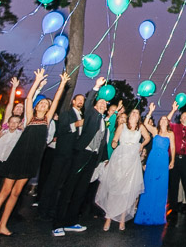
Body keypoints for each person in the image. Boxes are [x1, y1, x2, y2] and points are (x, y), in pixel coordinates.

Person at [0, 69, 68, 243]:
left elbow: (57, 100)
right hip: (18, 158)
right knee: (4, 192)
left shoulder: (47, 121)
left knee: (16, 193)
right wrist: (37, 81)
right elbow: (28, 99)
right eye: (41, 104)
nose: (43, 106)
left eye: (46, 105)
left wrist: (63, 84)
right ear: (36, 107)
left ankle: (2, 225)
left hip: (32, 161)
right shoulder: (28, 118)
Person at [52, 77, 110, 237]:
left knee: (80, 191)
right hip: (81, 154)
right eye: (101, 102)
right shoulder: (91, 113)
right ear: (96, 104)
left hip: (92, 158)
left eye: (105, 104)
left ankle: (71, 222)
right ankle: (57, 224)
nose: (103, 105)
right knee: (69, 188)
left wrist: (102, 159)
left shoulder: (104, 122)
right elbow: (89, 99)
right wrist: (96, 87)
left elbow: (102, 143)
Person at [96, 108, 150, 231]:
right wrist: (114, 143)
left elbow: (147, 138)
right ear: (130, 115)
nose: (135, 114)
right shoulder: (123, 126)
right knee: (115, 188)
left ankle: (122, 219)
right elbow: (115, 139)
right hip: (120, 157)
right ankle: (108, 218)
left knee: (127, 190)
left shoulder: (140, 127)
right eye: (133, 112)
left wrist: (141, 145)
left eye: (137, 112)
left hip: (133, 160)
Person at [38, 91, 85, 219]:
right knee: (52, 180)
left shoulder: (82, 116)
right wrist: (75, 125)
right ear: (73, 102)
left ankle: (53, 208)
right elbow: (61, 130)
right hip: (62, 152)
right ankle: (42, 209)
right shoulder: (67, 114)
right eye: (78, 99)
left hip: (71, 154)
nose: (81, 101)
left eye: (82, 100)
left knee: (61, 183)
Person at [134, 102, 175, 225]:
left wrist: (172, 160)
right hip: (152, 160)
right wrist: (150, 111)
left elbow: (173, 148)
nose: (163, 121)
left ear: (168, 122)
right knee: (149, 186)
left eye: (165, 120)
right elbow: (145, 123)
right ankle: (144, 213)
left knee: (160, 187)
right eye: (161, 119)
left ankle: (157, 215)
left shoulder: (170, 134)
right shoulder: (155, 132)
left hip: (163, 161)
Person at [165, 100, 186, 215]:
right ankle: (173, 209)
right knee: (173, 184)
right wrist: (173, 110)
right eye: (183, 115)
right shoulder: (174, 127)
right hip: (174, 159)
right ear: (180, 119)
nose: (184, 117)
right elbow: (166, 121)